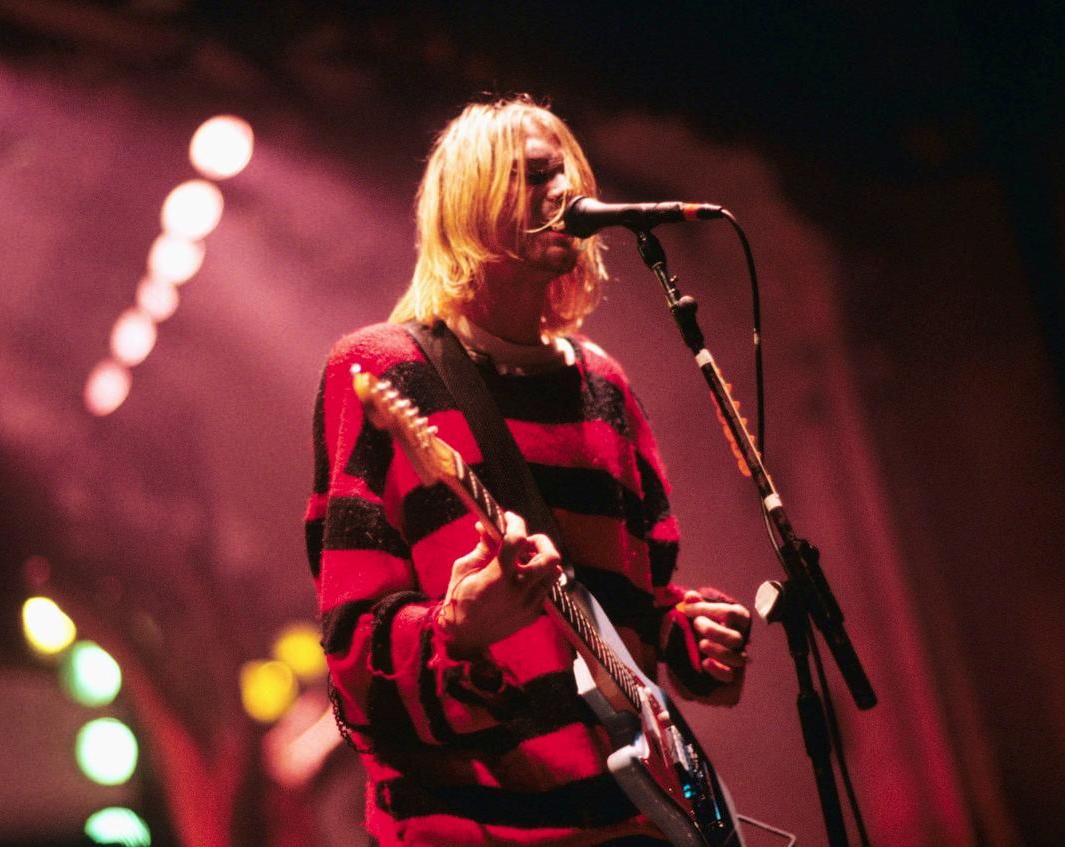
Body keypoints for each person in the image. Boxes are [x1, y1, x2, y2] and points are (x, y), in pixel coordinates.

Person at [306, 94, 751, 846]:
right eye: (536, 175)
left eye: (569, 174)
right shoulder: (385, 369)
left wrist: (690, 636)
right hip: (473, 831)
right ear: (471, 200)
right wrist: (457, 631)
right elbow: (351, 648)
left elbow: (641, 605)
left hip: (636, 822)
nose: (567, 192)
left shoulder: (603, 385)